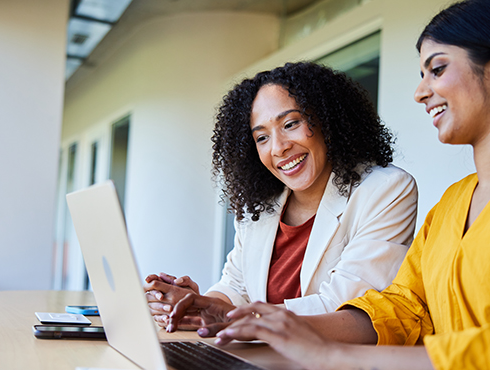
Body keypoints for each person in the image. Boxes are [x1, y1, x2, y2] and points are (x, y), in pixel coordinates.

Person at [167, 0, 490, 369]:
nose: (421, 90)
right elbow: (401, 308)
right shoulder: (453, 204)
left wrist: (334, 355)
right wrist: (286, 326)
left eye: (437, 68)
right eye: (421, 73)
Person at [145, 61, 418, 330]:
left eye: (290, 124)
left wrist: (232, 315)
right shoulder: (261, 207)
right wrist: (197, 305)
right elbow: (235, 287)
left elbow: (347, 305)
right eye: (261, 138)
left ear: (327, 120)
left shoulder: (386, 189)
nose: (278, 148)